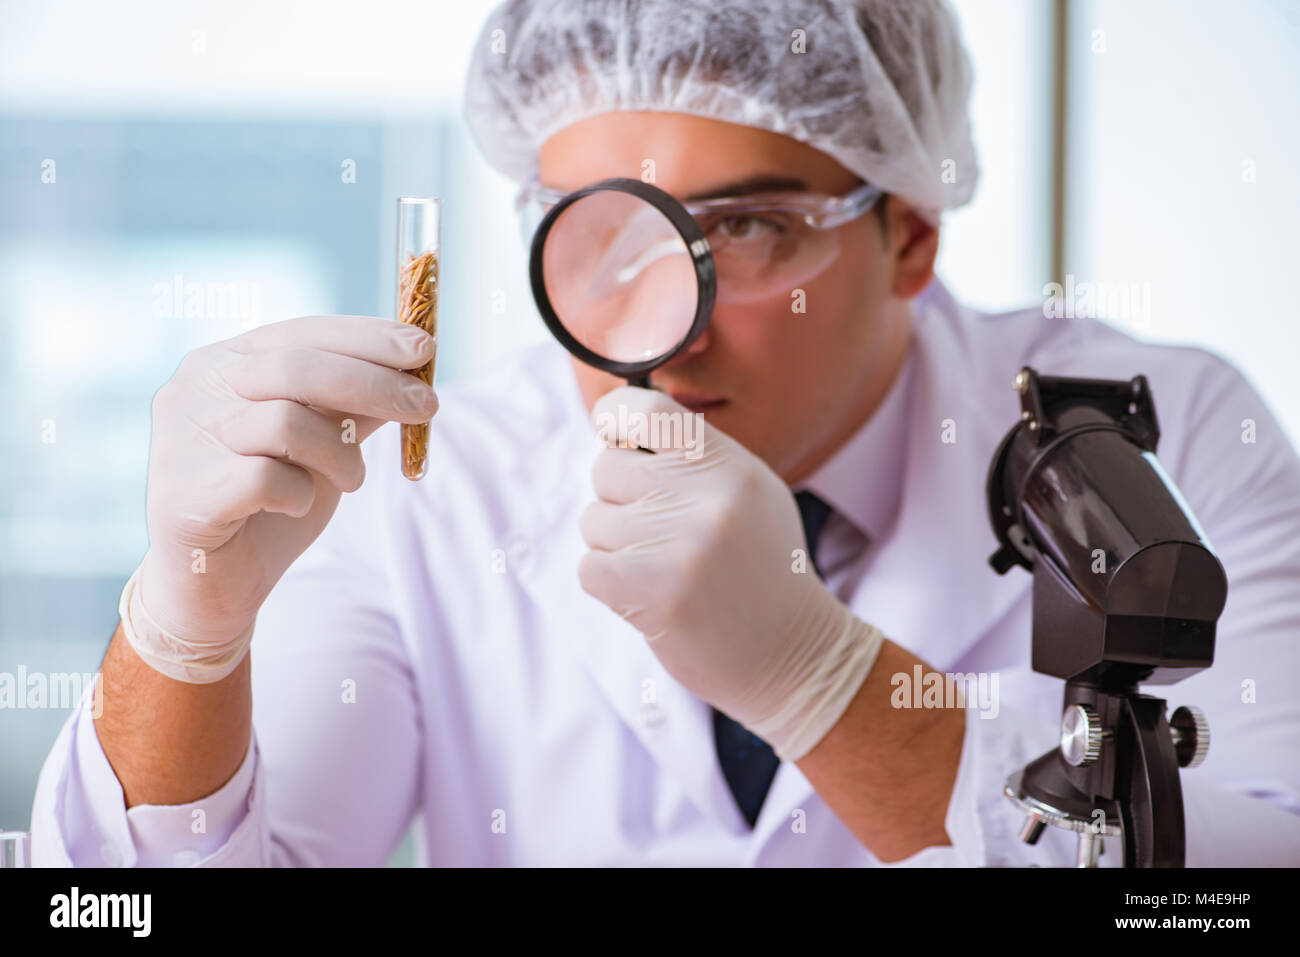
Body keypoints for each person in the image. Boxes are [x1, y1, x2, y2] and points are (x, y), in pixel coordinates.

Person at [29, 0, 1300, 866]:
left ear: (907, 231)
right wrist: (185, 634)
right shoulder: (432, 487)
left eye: (741, 230)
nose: (660, 330)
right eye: (603, 235)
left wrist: (822, 680)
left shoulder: (1161, 432)